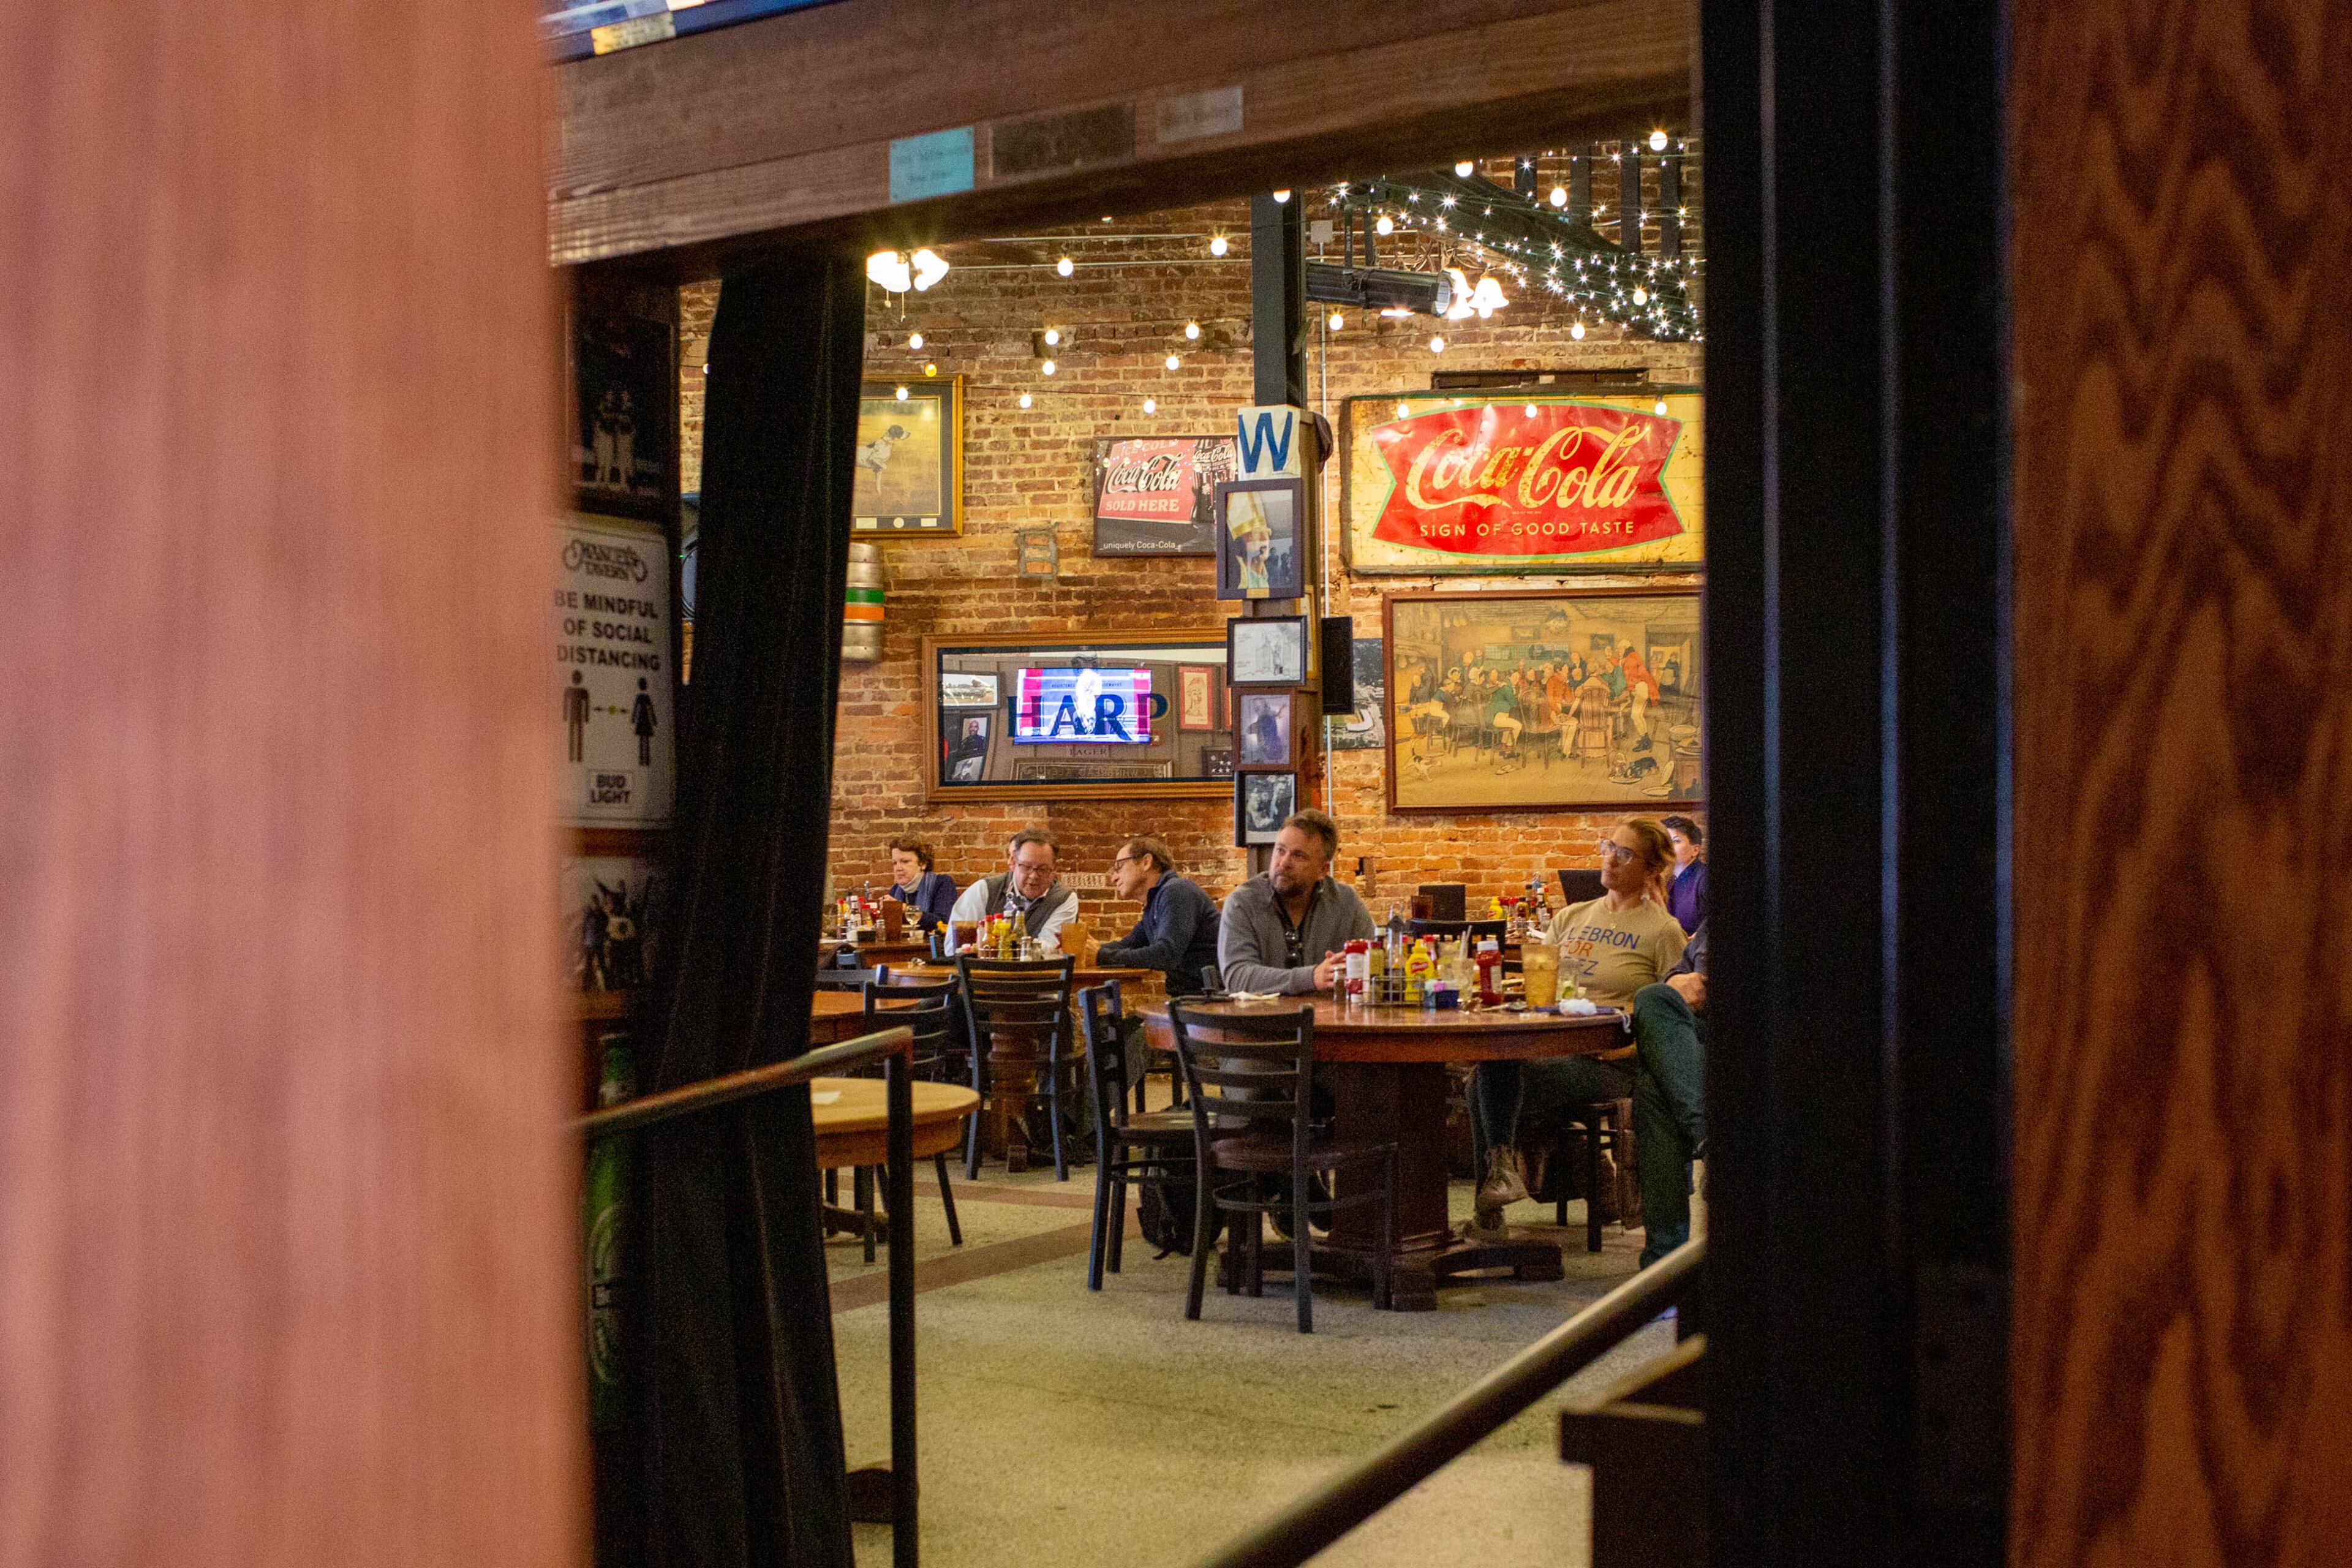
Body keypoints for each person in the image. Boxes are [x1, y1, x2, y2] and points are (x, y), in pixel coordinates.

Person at [1470, 816, 1688, 1259]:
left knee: (1491, 1081)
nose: (1609, 858)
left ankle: (1491, 1207)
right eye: (1609, 846)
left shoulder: (1663, 931)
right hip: (1551, 1044)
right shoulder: (1571, 916)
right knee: (1489, 1067)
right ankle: (1502, 1181)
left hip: (1611, 1061)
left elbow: (1672, 1012)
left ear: (1649, 869)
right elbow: (1539, 984)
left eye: (1624, 853)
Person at [1216, 809, 1374, 995]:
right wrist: (1311, 977)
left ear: (1322, 870)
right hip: (1259, 1022)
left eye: (1298, 856)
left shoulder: (1346, 903)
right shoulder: (1242, 903)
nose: (1283, 863)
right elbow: (1238, 977)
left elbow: (1373, 967)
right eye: (1280, 850)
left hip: (1328, 1022)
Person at [1093, 835, 1221, 997]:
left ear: (1146, 862)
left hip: (1211, 1003)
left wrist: (1100, 956)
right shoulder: (1155, 902)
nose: (1114, 878)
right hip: (1193, 1000)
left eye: (1119, 867)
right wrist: (1092, 950)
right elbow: (1130, 943)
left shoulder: (1177, 891)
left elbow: (1166, 954)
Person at [948, 827, 1079, 954]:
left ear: (1055, 869)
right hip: (981, 975)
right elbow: (953, 948)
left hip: (1039, 976)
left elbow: (1049, 947)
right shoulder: (984, 891)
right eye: (1027, 867)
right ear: (1013, 863)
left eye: (1043, 869)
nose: (1034, 876)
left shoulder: (1064, 899)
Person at [883, 837, 957, 932]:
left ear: (923, 864)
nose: (898, 868)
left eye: (905, 862)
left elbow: (944, 922)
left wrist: (907, 910)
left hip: (931, 946)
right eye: (895, 863)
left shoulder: (942, 883)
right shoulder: (896, 889)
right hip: (904, 945)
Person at [1661, 815, 1708, 936]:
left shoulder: (1705, 878)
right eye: (1666, 841)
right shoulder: (1665, 878)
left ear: (1695, 850)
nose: (1668, 847)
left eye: (1676, 841)